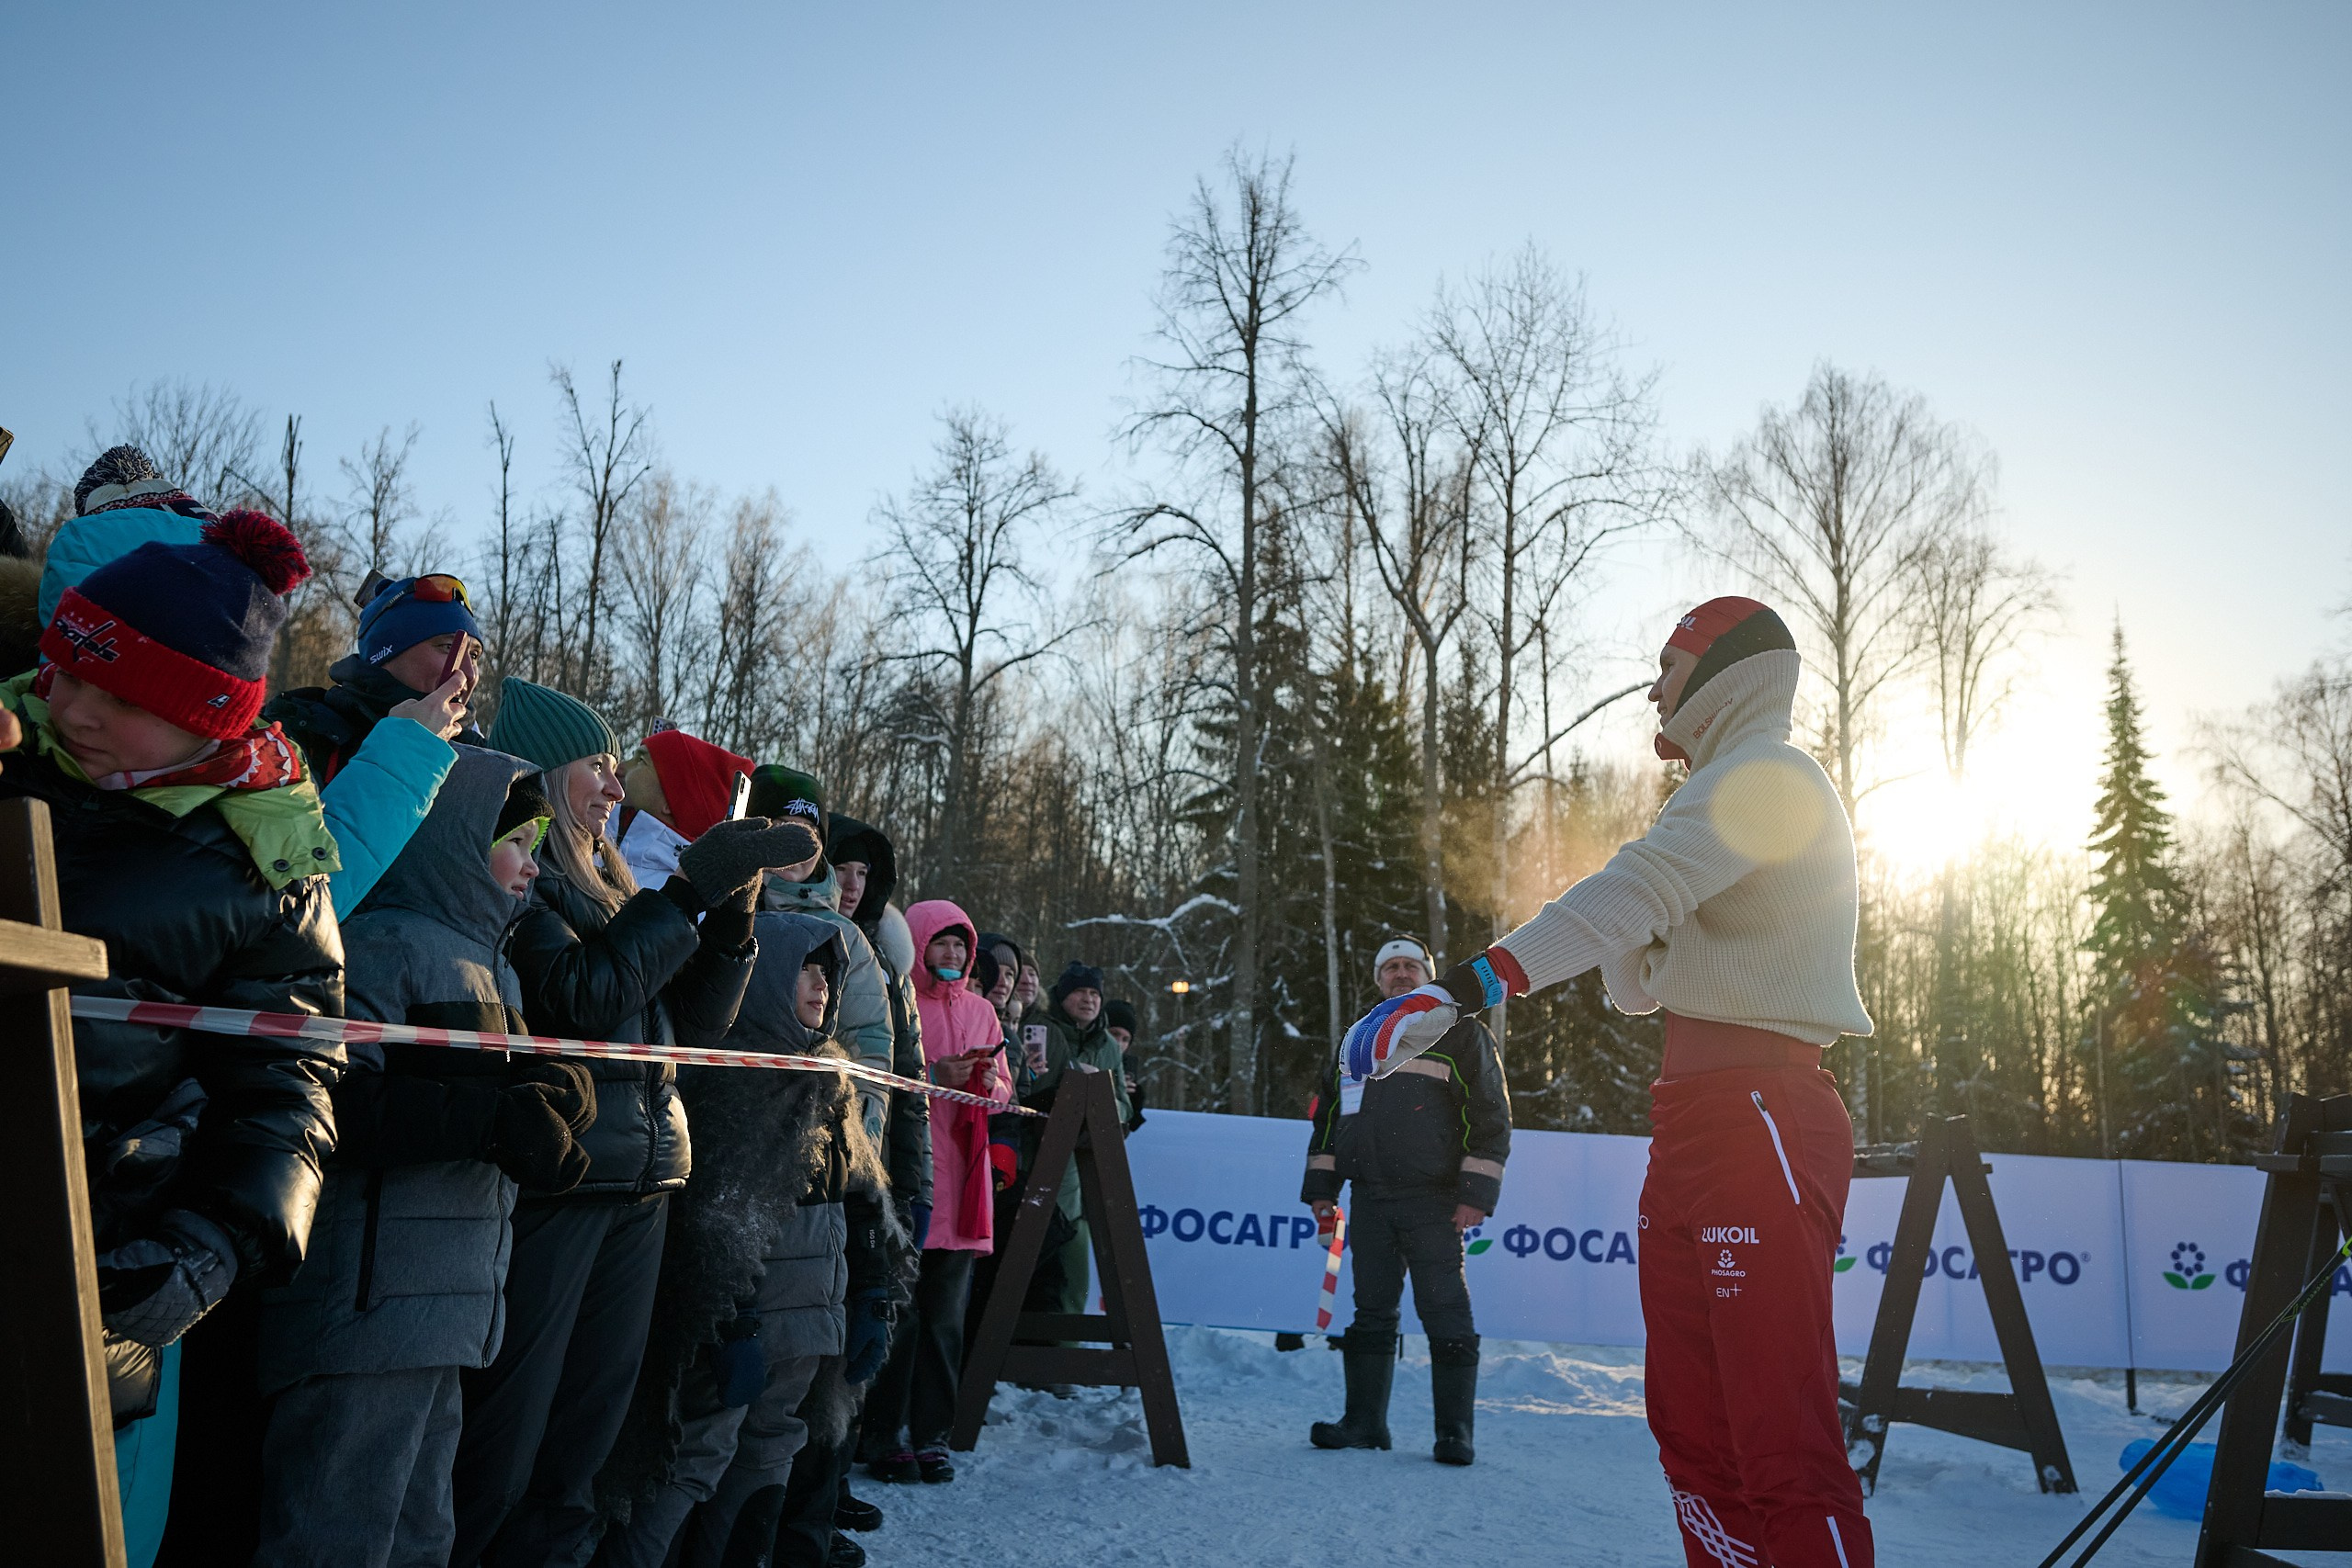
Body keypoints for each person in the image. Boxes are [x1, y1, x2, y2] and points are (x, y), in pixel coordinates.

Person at [1340, 598, 1877, 1567]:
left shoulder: (1769, 776)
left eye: (1666, 669)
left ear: (1718, 677)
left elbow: (1633, 894)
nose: (1652, 689)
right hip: (1695, 1120)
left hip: (1762, 1113)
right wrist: (1634, 901)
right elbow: (1636, 973)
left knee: (1775, 1433)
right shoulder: (1713, 794)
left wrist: (1470, 986)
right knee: (1690, 1423)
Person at [0, 509, 345, 1568]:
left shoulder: (262, 866)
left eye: (125, 698)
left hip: (84, 1263)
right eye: (65, 673)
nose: (77, 708)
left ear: (212, 725)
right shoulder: (12, 752)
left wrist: (211, 1249)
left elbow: (292, 1081)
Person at [451, 679, 815, 1568]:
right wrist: (686, 891)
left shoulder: (612, 879)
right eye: (597, 769)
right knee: (508, 1446)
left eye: (619, 771)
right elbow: (579, 997)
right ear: (543, 772)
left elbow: (695, 1026)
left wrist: (729, 913)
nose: (615, 790)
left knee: (588, 1451)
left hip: (644, 1178)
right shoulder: (519, 872)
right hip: (565, 1180)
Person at [253, 752, 596, 1568]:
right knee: (340, 1533)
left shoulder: (498, 965)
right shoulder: (380, 943)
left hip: (453, 1307)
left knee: (419, 1536)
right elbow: (335, 1106)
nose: (534, 862)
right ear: (453, 837)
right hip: (368, 1309)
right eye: (516, 839)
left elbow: (488, 1098)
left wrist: (552, 1090)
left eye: (541, 840)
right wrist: (489, 1116)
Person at [593, 917, 905, 1568]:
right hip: (740, 1329)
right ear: (765, 977)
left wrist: (872, 1294)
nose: (822, 985)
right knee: (699, 1455)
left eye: (829, 971)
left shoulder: (830, 1078)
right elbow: (712, 1220)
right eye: (805, 968)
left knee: (770, 1457)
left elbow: (864, 1197)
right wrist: (735, 1320)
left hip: (808, 1326)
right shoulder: (730, 1077)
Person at [52, 448, 463, 914]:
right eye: (444, 645)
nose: (464, 670)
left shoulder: (473, 760)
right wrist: (407, 752)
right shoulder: (297, 736)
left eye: (475, 655)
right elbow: (300, 910)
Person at [769, 812, 929, 1565]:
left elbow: (905, 1088)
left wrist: (909, 1182)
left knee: (840, 1360)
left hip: (861, 1172)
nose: (855, 881)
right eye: (847, 868)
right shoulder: (796, 939)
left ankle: (816, 1510)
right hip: (798, 1172)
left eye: (868, 873)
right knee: (791, 1366)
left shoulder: (883, 962)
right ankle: (793, 1521)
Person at [1304, 934, 1510, 1466]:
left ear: (1428, 976)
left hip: (1435, 1201)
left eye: (1411, 967)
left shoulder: (1462, 1033)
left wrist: (1475, 1193)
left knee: (1445, 1312)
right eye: (1391, 967)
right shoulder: (1359, 1040)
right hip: (1369, 1198)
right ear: (1378, 980)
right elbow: (1329, 1117)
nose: (1400, 974)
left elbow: (1489, 1117)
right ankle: (1365, 1423)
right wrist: (1322, 1190)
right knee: (1370, 1311)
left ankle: (1454, 1434)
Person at [861, 899, 1009, 1486]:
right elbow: (883, 1079)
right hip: (912, 1181)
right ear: (919, 947)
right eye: (940, 944)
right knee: (899, 1317)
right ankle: (883, 1435)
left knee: (946, 1321)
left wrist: (984, 1080)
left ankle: (932, 1437)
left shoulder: (981, 1011)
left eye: (960, 946)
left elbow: (1003, 1095)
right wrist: (934, 1076)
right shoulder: (899, 1002)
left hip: (967, 1185)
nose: (950, 955)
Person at [750, 765, 894, 1145]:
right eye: (784, 829)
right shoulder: (720, 909)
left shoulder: (845, 936)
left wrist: (857, 1146)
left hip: (808, 1139)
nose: (797, 847)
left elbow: (870, 1043)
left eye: (809, 834)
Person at [1022, 962, 1132, 1319]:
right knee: (1025, 1272)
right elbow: (1027, 1092)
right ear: (1062, 995)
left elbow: (1125, 1109)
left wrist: (1096, 1096)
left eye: (1095, 994)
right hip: (1034, 1165)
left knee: (1072, 1277)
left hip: (1085, 1178)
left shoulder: (1108, 1046)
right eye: (1081, 992)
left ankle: (1062, 1358)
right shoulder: (1039, 1029)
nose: (1088, 1000)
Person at [612, 726, 753, 890]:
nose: (619, 768)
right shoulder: (588, 838)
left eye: (640, 761)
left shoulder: (686, 900)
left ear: (670, 802)